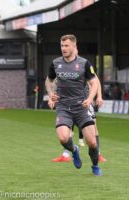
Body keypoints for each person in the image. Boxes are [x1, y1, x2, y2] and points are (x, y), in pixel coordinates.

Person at [45, 34, 102, 176]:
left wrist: (90, 98)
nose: (63, 48)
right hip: (63, 107)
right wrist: (50, 93)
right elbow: (48, 80)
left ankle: (95, 166)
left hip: (81, 107)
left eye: (66, 46)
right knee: (63, 138)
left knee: (92, 143)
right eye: (62, 46)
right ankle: (74, 150)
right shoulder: (55, 63)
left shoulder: (84, 63)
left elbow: (94, 83)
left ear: (74, 46)